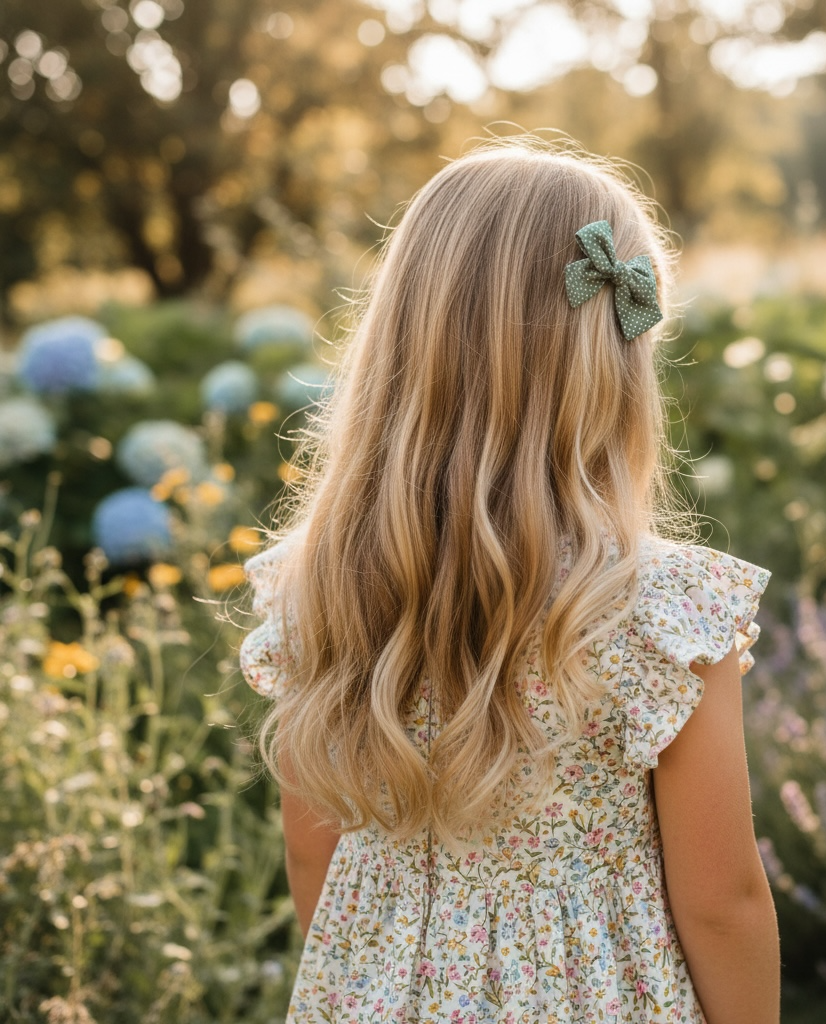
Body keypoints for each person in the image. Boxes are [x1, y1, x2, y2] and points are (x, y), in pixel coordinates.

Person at [241, 136, 781, 1023]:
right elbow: (721, 903)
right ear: (615, 361)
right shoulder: (660, 611)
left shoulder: (320, 588)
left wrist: (368, 981)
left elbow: (313, 853)